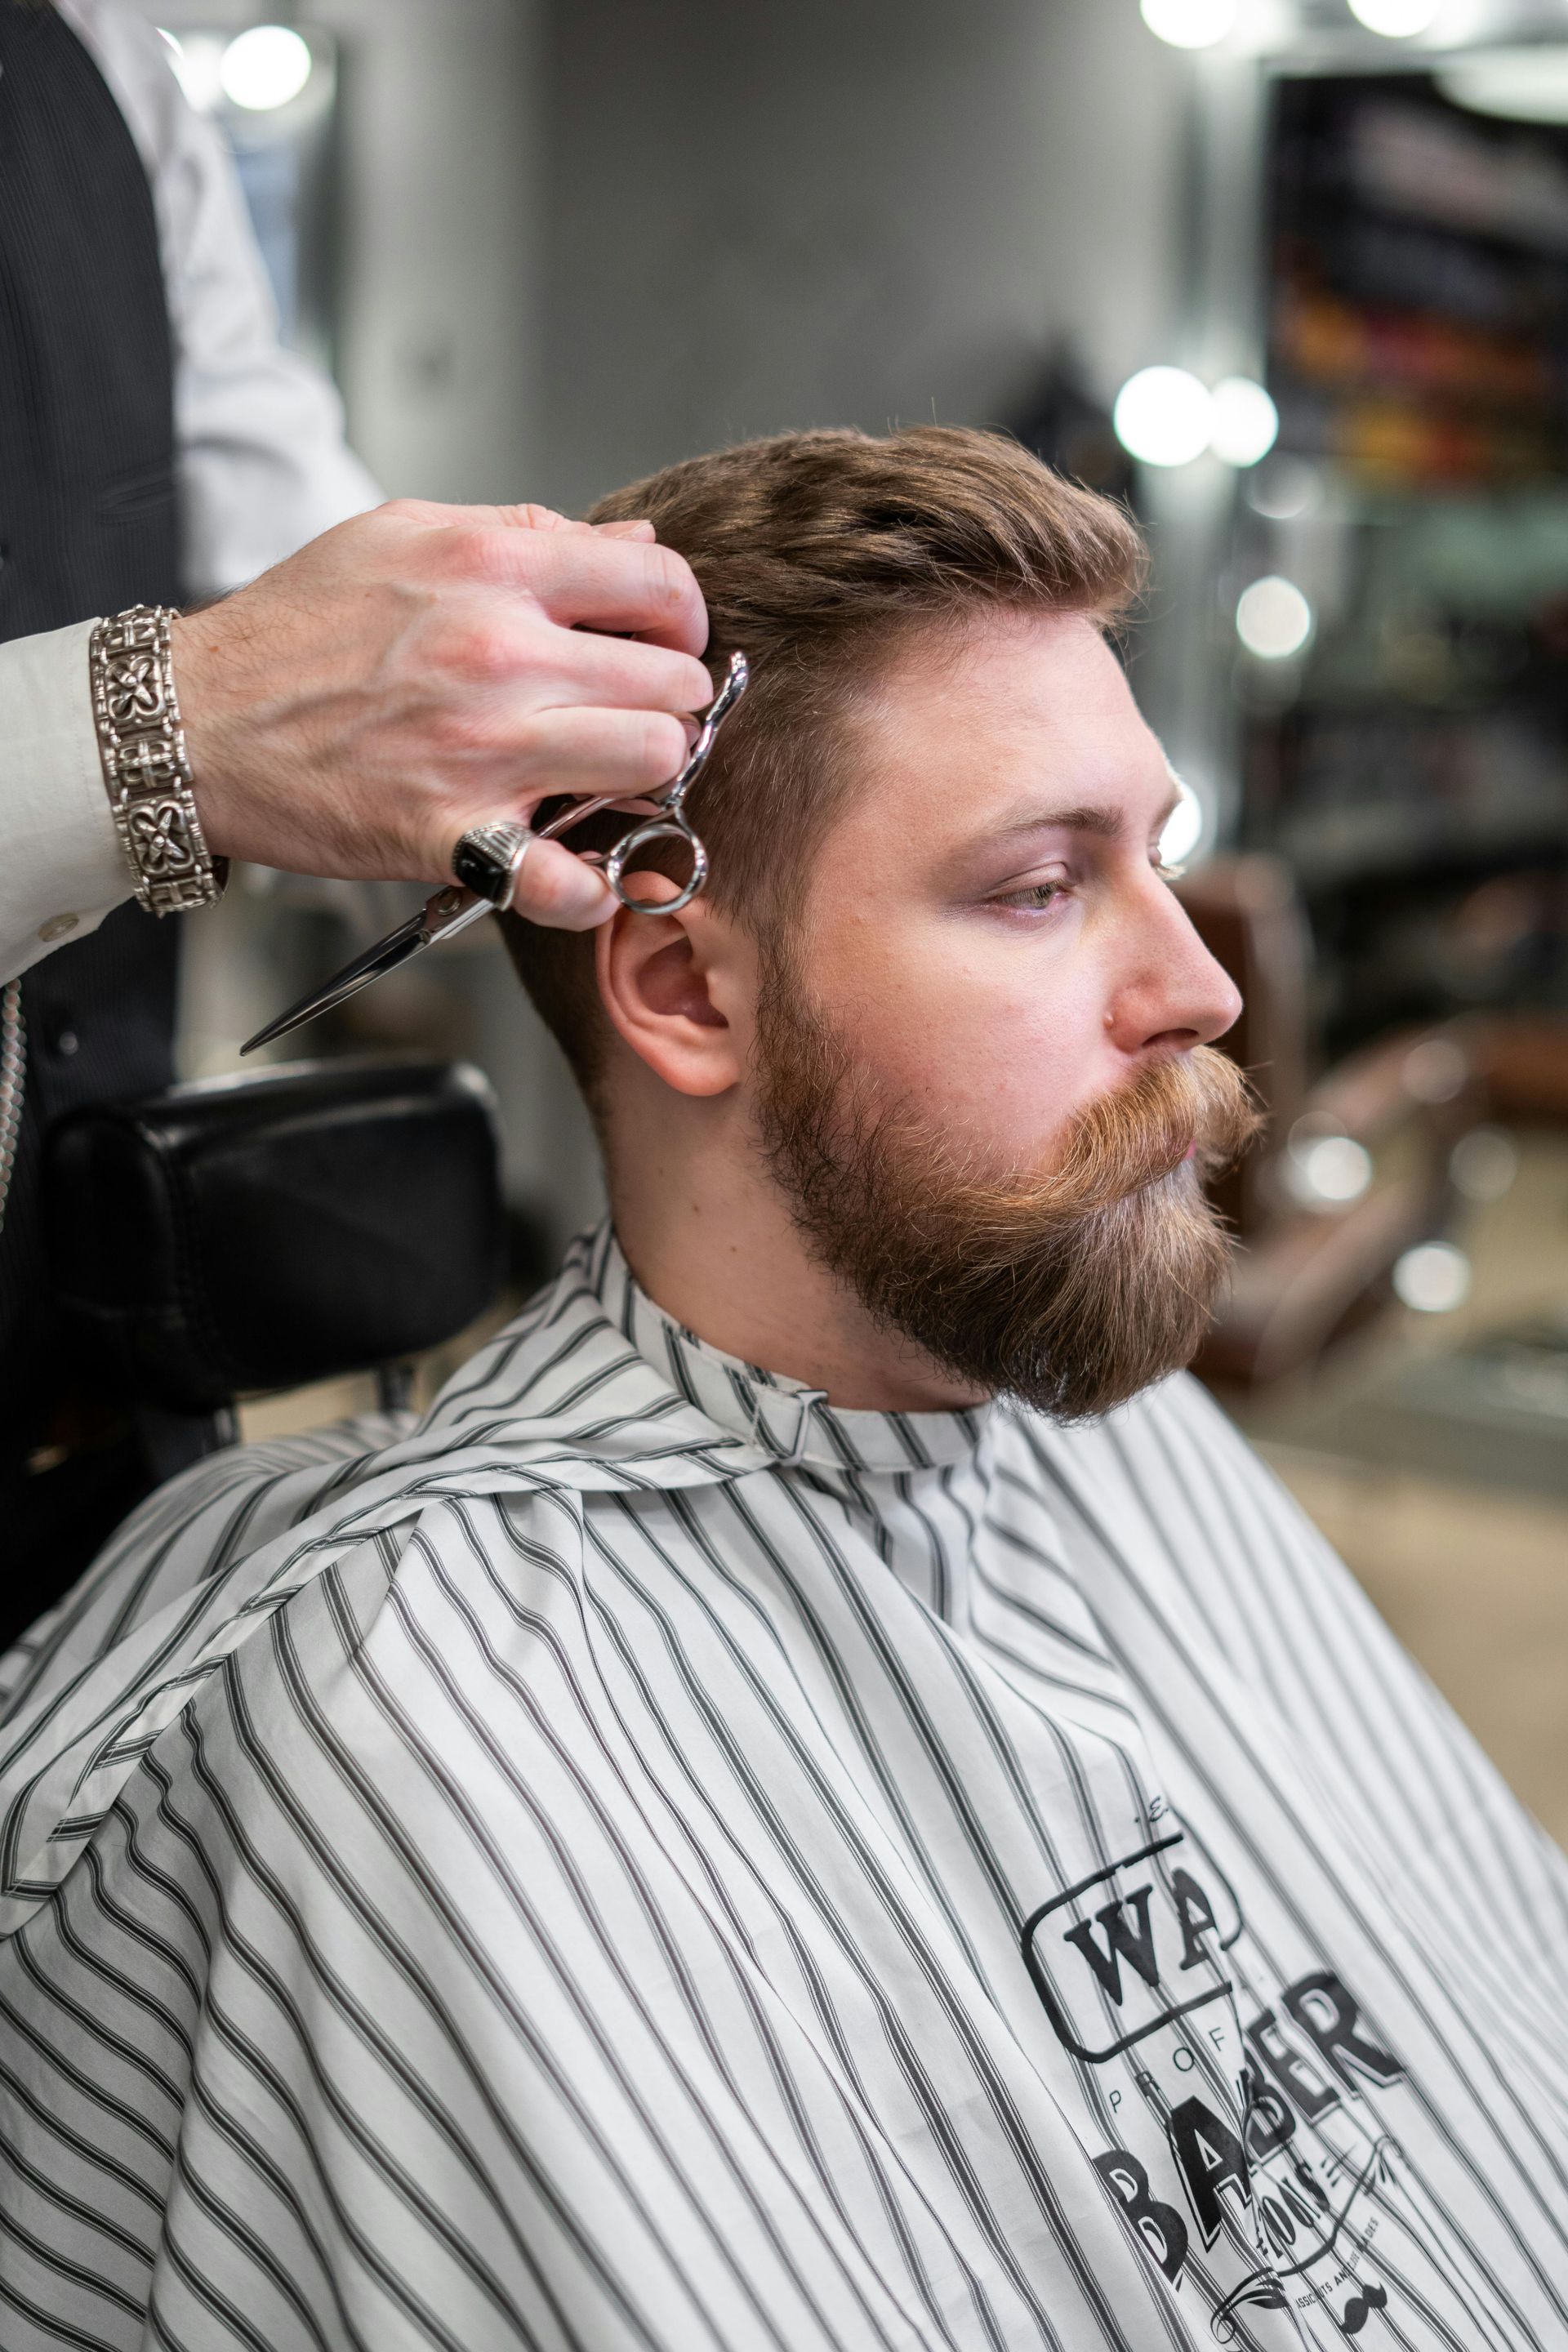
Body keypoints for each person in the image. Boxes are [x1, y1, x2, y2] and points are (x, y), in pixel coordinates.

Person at [2, 426, 1566, 2352]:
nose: (1199, 989)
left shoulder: (1104, 1432)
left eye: (1148, 856)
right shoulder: (427, 1693)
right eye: (1035, 887)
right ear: (682, 992)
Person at [0, 0, 710, 1620]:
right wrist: (162, 730)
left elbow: (273, 517)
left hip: (67, 1398)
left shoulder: (101, 55)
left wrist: (503, 695)